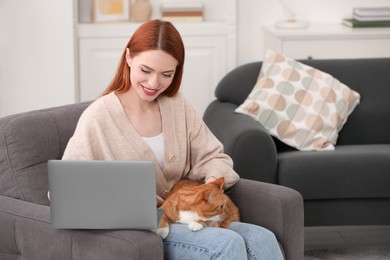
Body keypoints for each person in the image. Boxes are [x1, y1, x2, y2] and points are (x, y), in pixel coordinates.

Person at [62, 19, 284, 260]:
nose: (154, 84)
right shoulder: (99, 116)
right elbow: (67, 190)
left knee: (263, 239)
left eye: (166, 74)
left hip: (188, 216)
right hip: (145, 227)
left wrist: (209, 188)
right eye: (145, 70)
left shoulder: (176, 105)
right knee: (227, 243)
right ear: (128, 58)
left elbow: (213, 156)